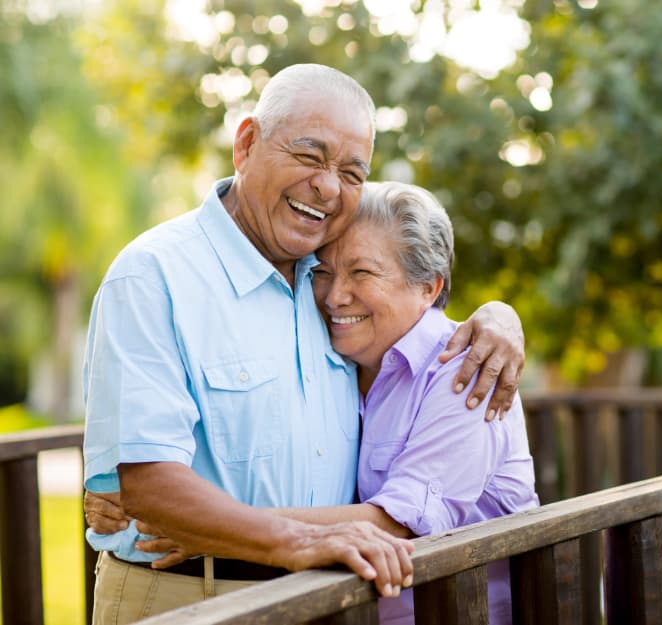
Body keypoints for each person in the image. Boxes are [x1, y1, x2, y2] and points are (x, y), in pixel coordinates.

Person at [82, 63, 526, 624]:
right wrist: (284, 539)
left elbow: (407, 306)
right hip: (191, 598)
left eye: (351, 172)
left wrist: (498, 318)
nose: (327, 186)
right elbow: (148, 488)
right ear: (246, 145)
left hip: (328, 599)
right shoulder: (153, 276)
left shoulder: (322, 284)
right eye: (310, 156)